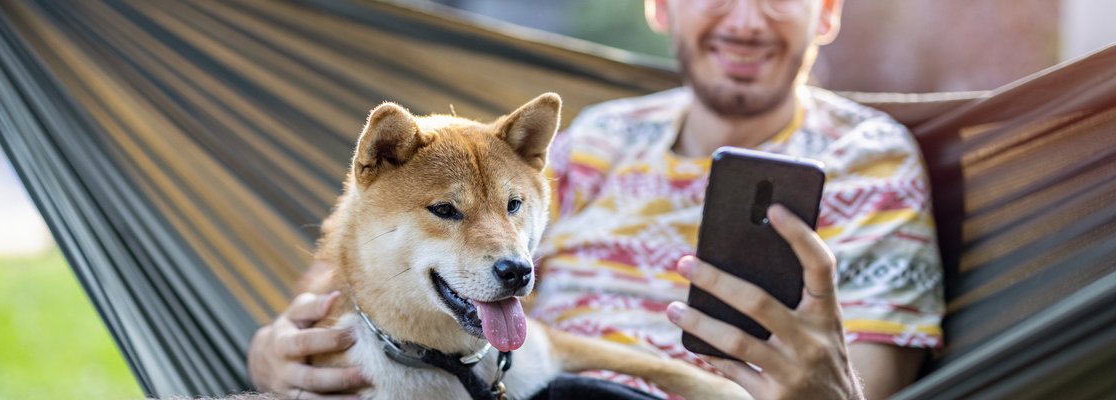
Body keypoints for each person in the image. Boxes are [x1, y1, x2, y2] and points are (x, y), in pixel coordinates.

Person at [247, 0, 944, 399]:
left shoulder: (869, 161)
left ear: (826, 12)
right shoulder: (599, 138)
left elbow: (871, 382)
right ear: (662, 6)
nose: (745, 18)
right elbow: (374, 254)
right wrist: (282, 347)